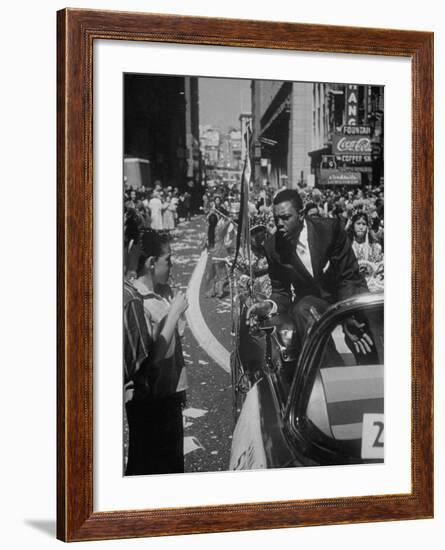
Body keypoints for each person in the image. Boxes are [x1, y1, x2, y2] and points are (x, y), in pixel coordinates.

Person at [247, 189, 372, 357]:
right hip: (313, 302)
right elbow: (281, 293)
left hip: (347, 292)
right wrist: (269, 305)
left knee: (370, 316)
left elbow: (348, 276)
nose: (279, 224)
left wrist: (347, 313)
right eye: (276, 219)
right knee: (301, 310)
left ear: (301, 214)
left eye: (285, 217)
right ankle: (329, 370)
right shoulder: (272, 248)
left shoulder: (330, 229)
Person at [124, 230, 189, 475]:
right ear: (151, 263)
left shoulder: (160, 293)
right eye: (168, 260)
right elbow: (152, 361)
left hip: (168, 396)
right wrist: (173, 313)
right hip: (151, 402)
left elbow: (176, 339)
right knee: (153, 467)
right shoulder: (138, 301)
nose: (171, 266)